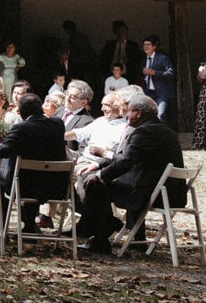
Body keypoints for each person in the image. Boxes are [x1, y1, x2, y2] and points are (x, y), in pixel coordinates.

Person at [75, 93, 186, 253]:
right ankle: (112, 227)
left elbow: (126, 162)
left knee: (95, 186)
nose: (126, 115)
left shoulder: (144, 132)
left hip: (149, 194)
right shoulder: (166, 130)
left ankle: (99, 240)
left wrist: (100, 175)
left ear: (139, 113)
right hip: (170, 193)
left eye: (129, 111)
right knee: (100, 182)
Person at [0, 92, 66, 231]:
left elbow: (4, 150)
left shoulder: (22, 128)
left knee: (0, 180)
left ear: (21, 112)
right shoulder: (58, 124)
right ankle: (29, 226)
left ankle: (2, 229)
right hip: (55, 187)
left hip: (25, 187)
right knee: (30, 175)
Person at [138, 35, 175, 122]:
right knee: (147, 116)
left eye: (148, 44)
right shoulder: (143, 60)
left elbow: (171, 73)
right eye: (144, 45)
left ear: (154, 46)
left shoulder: (163, 58)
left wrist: (154, 72)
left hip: (160, 93)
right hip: (148, 92)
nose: (146, 47)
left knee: (160, 114)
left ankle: (161, 134)